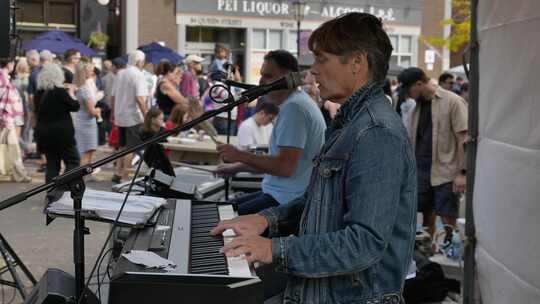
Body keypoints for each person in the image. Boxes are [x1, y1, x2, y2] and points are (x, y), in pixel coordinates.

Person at [211, 13, 417, 304]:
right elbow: (318, 202)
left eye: (321, 59)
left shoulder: (375, 133)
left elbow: (364, 243)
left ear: (357, 62)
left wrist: (273, 249)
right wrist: (264, 220)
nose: (313, 71)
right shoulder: (351, 122)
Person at [214, 50, 326, 215]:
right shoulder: (295, 104)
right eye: (261, 75)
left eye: (268, 76)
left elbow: (284, 167)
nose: (260, 82)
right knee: (218, 211)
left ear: (287, 77)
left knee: (219, 216)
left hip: (287, 201)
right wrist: (235, 167)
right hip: (281, 195)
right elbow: (277, 163)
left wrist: (239, 155)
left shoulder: (294, 109)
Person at [398, 67, 467, 246]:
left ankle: (448, 249)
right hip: (421, 169)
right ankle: (428, 252)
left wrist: (462, 173)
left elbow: (464, 139)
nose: (409, 95)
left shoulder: (452, 101)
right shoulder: (416, 108)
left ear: (419, 84)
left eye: (410, 90)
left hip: (446, 171)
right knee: (423, 214)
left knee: (447, 217)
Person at [34, 63, 80, 182]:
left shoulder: (39, 93)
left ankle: (51, 192)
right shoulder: (60, 91)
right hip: (61, 133)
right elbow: (75, 106)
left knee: (52, 164)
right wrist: (71, 93)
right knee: (73, 161)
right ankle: (62, 185)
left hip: (44, 132)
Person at [110, 50, 148, 183]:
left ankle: (118, 172)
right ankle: (126, 177)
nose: (144, 64)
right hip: (133, 116)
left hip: (120, 115)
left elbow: (113, 97)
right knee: (130, 148)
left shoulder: (120, 73)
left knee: (122, 146)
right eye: (143, 61)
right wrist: (147, 116)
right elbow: (140, 99)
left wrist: (112, 113)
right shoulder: (138, 75)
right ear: (139, 61)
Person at [0, 59, 31, 182]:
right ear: (8, 64)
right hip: (5, 119)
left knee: (14, 147)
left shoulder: (4, 76)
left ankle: (19, 175)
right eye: (13, 63)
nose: (14, 65)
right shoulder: (2, 77)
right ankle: (20, 175)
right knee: (14, 147)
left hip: (6, 119)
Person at [73, 61, 102, 167]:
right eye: (90, 70)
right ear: (84, 72)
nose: (92, 73)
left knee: (86, 151)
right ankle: (81, 178)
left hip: (82, 120)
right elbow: (92, 111)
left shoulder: (79, 86)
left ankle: (86, 176)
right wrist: (98, 110)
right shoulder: (85, 89)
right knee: (87, 153)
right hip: (86, 122)